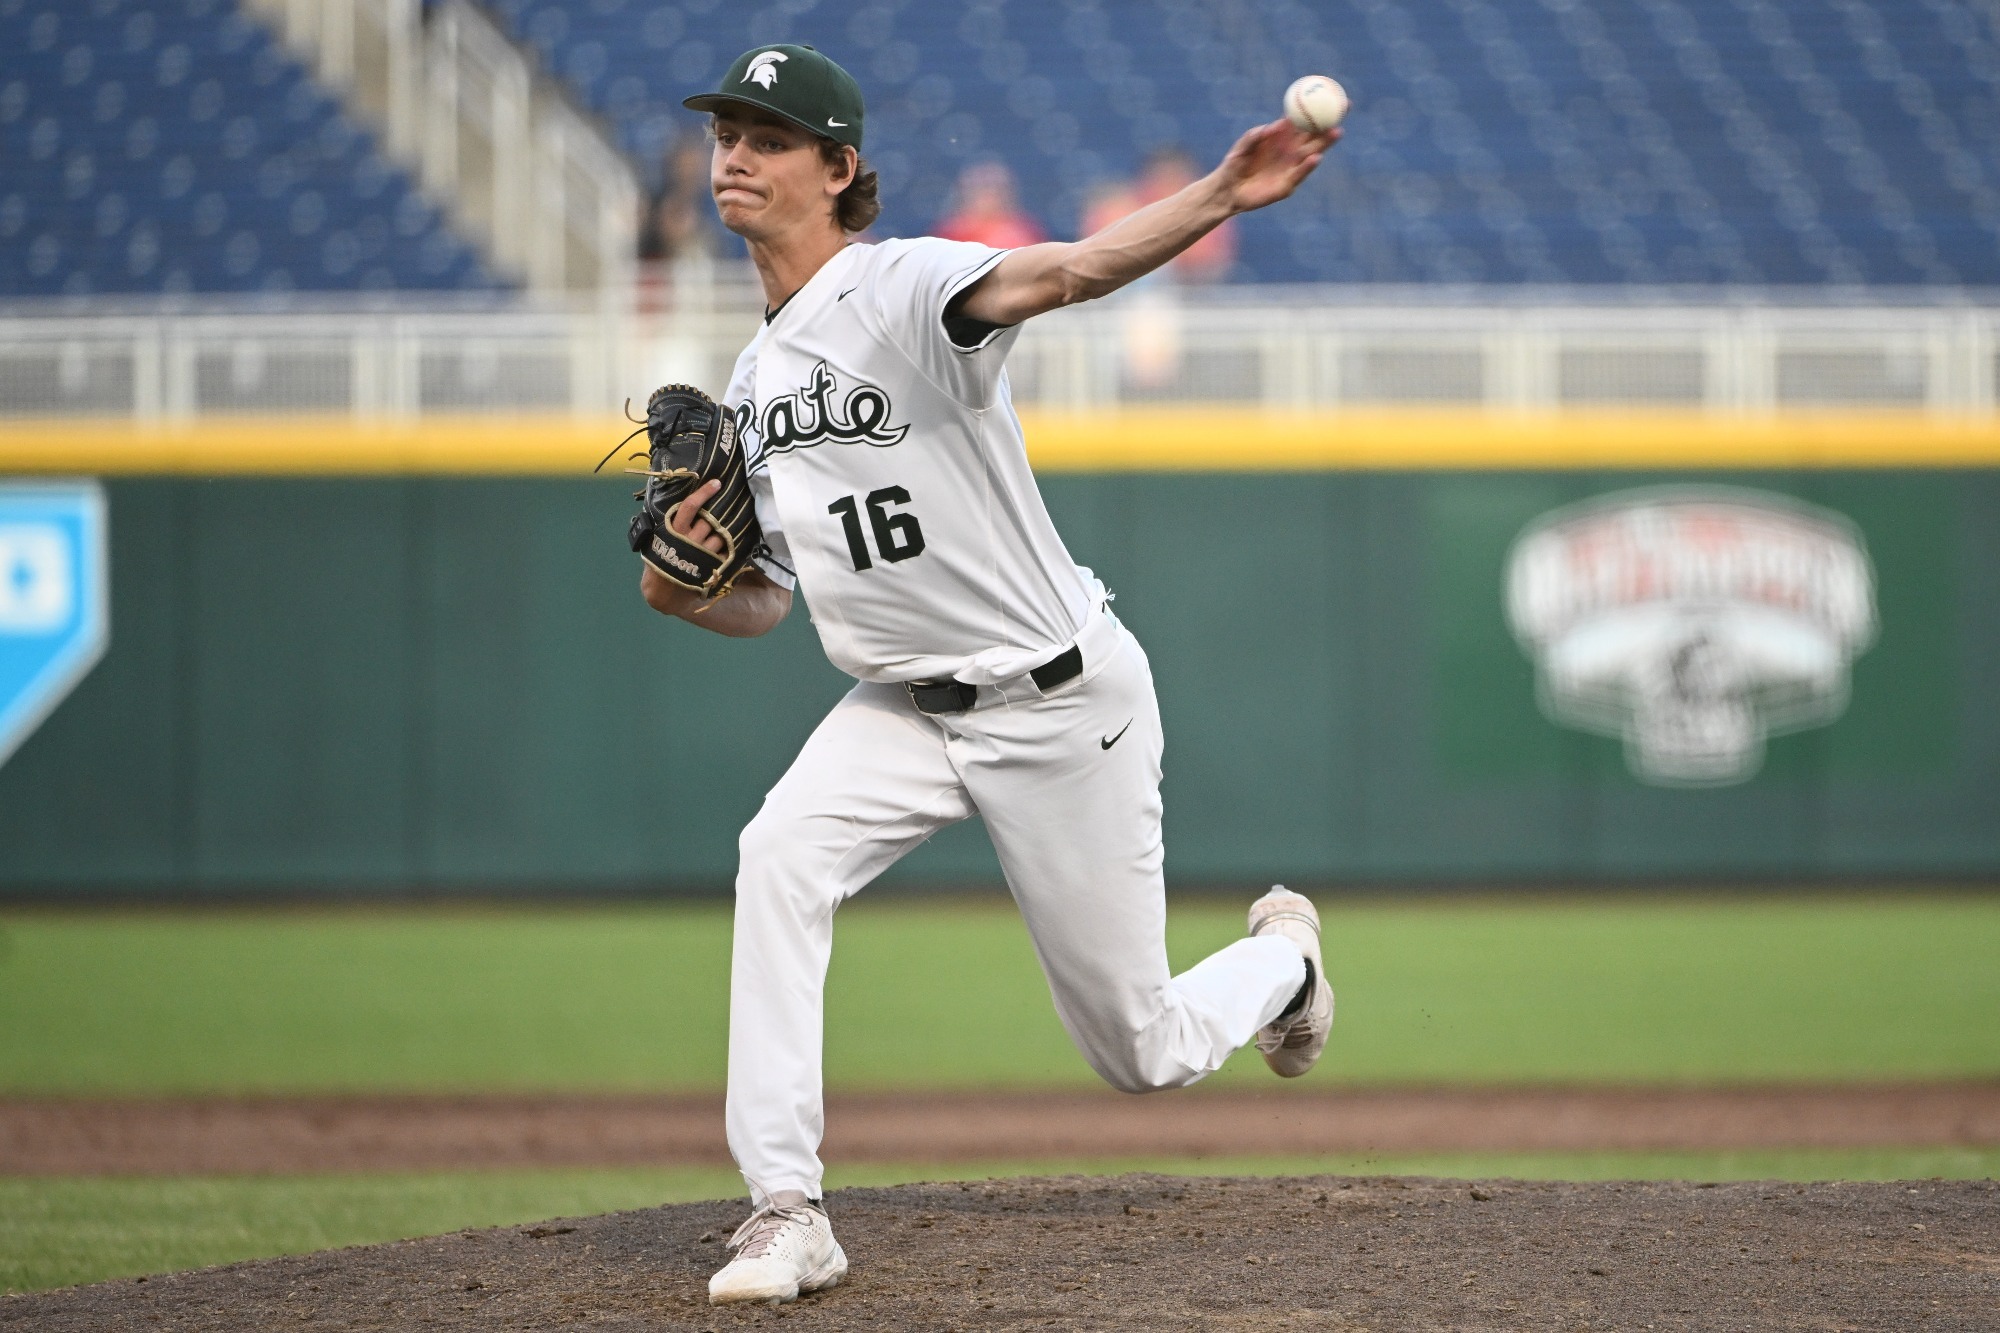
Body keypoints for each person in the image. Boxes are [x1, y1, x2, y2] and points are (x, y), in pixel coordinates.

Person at [644, 43, 1340, 1307]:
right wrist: (675, 581)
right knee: (776, 856)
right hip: (899, 707)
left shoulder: (902, 287)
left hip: (1060, 697)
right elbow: (759, 604)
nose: (731, 155)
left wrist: (1217, 197)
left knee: (1141, 1050)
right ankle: (784, 1210)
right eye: (722, 133)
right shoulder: (747, 391)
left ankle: (1283, 963)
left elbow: (1071, 269)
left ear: (838, 167)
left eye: (766, 135)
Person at [933, 159, 1047, 249]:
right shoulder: (951, 232)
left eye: (995, 189)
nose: (989, 195)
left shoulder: (1024, 230)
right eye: (981, 188)